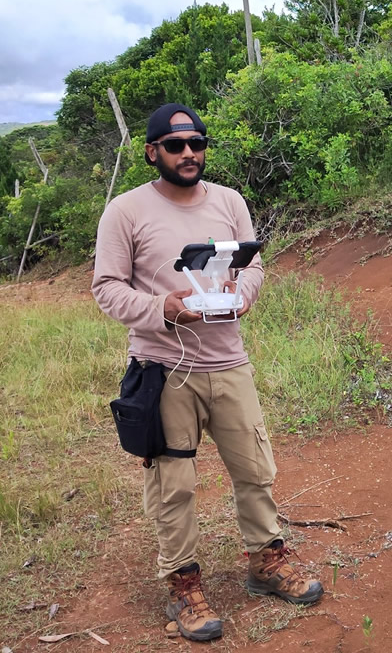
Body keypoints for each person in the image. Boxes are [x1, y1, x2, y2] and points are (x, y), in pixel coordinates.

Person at [92, 103, 323, 642]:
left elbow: (253, 264)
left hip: (229, 361)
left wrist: (244, 294)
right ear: (152, 152)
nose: (188, 153)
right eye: (175, 146)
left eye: (196, 143)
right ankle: (183, 585)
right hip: (164, 368)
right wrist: (163, 308)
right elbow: (107, 287)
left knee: (255, 469)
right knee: (173, 484)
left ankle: (266, 562)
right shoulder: (125, 211)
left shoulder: (229, 201)